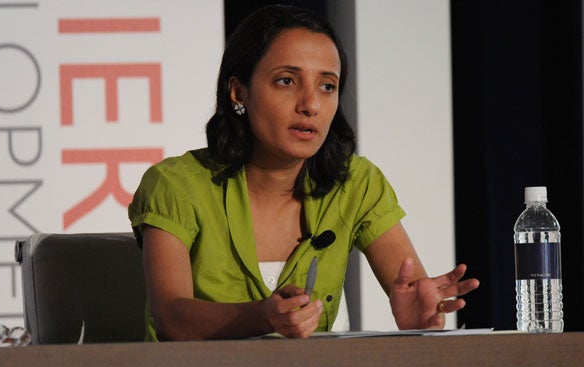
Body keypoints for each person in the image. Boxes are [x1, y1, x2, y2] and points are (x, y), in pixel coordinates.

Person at [128, 4, 479, 341]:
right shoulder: (176, 185)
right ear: (239, 92)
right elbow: (171, 319)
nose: (311, 104)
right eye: (286, 81)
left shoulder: (355, 182)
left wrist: (419, 323)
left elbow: (413, 291)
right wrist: (264, 316)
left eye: (327, 86)